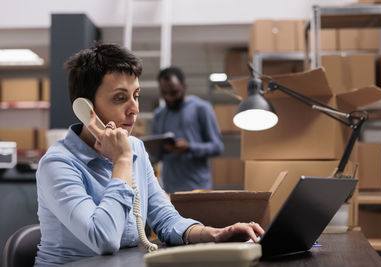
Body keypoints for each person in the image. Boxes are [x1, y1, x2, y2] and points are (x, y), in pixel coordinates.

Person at [34, 42, 264, 266]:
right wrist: (122, 161)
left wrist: (213, 235)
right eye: (120, 98)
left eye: (136, 95)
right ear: (86, 109)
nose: (134, 109)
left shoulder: (135, 148)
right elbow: (103, 239)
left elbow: (166, 219)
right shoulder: (58, 164)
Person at [152, 66, 224, 194]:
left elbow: (217, 147)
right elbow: (156, 155)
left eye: (174, 92)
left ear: (184, 86)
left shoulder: (202, 108)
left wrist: (190, 147)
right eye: (164, 93)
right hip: (170, 190)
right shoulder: (159, 115)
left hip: (198, 189)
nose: (169, 98)